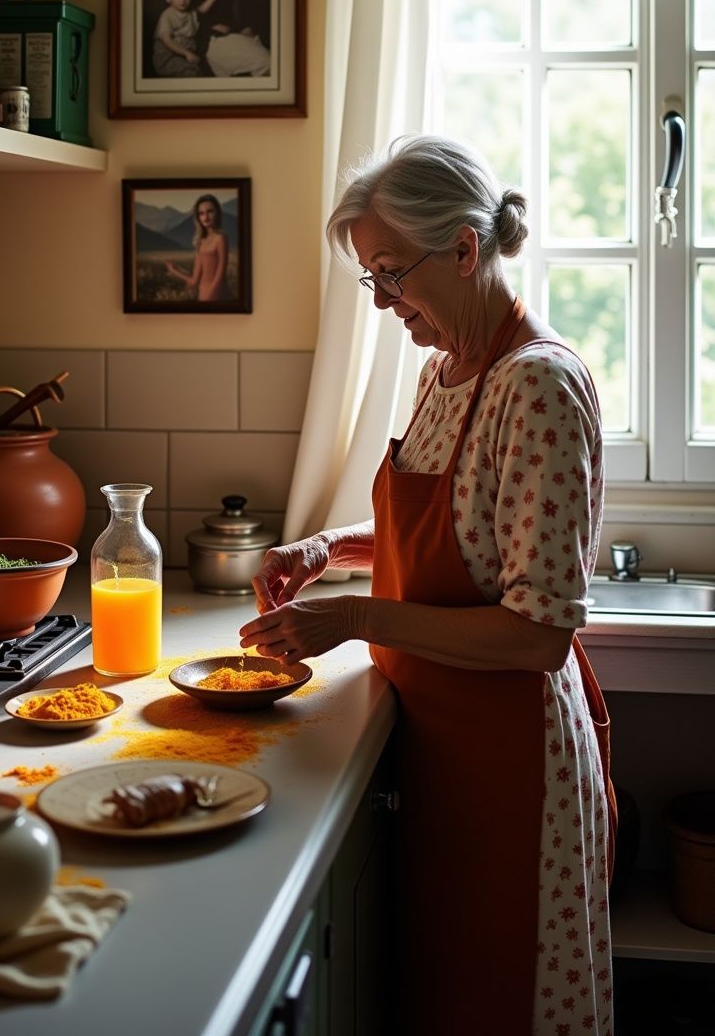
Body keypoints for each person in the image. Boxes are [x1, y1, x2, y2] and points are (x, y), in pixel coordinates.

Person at [239, 134, 617, 1036]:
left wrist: (353, 620)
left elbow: (537, 633)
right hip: (439, 738)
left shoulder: (537, 388)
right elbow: (457, 532)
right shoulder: (443, 373)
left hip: (510, 764)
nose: (385, 303)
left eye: (391, 275)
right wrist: (329, 548)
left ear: (462, 248)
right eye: (372, 282)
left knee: (505, 1000)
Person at [151, 0, 231, 78]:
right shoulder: (167, 15)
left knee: (211, 69)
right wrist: (186, 54)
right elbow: (167, 40)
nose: (183, 0)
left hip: (187, 54)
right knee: (192, 73)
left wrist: (214, 26)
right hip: (169, 56)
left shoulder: (191, 12)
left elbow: (202, 9)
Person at [165, 193, 231, 302]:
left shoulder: (221, 238)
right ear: (198, 217)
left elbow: (220, 276)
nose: (206, 217)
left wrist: (210, 295)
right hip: (203, 296)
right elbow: (194, 280)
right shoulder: (201, 241)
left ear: (217, 213)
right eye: (201, 213)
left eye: (210, 211)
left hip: (218, 296)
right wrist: (174, 271)